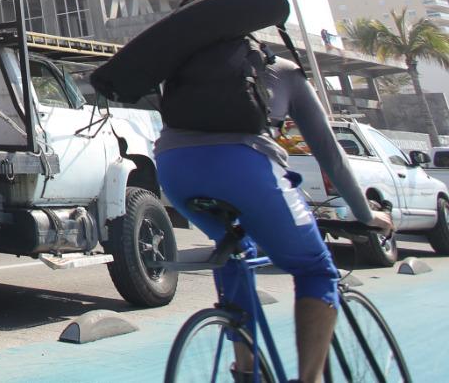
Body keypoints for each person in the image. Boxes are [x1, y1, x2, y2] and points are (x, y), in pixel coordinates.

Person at [156, 52, 392, 383]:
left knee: (234, 250)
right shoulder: (283, 71)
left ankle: (247, 370)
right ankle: (308, 379)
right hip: (247, 170)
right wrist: (365, 214)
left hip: (173, 170)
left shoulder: (182, 65)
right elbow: (331, 156)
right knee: (315, 268)